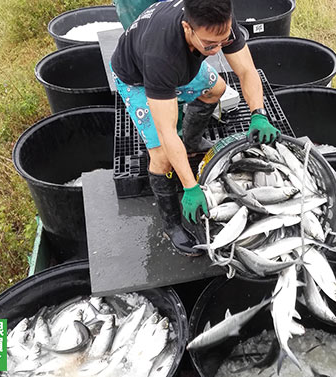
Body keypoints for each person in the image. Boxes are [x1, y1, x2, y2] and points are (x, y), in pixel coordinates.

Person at [110, 0, 279, 256]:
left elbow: (246, 70)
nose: (217, 50)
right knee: (163, 157)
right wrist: (190, 187)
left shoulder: (218, 24)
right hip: (137, 79)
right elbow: (167, 131)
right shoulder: (161, 56)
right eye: (210, 45)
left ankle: (191, 143)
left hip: (182, 66)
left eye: (222, 42)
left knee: (216, 90)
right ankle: (172, 225)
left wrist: (258, 114)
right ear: (187, 28)